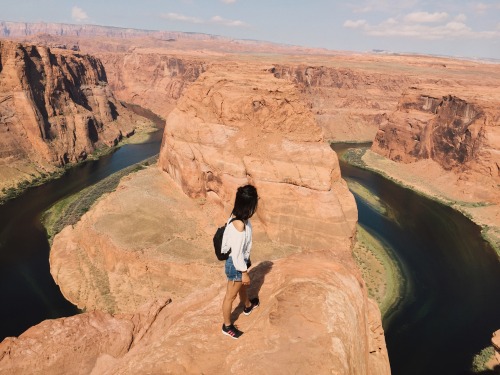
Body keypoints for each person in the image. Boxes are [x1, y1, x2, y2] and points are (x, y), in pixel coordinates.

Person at [221, 184, 260, 339]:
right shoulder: (239, 225)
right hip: (235, 265)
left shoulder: (240, 217)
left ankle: (248, 306)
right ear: (249, 205)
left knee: (241, 288)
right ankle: (227, 326)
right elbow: (236, 254)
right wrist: (244, 273)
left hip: (239, 262)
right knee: (229, 297)